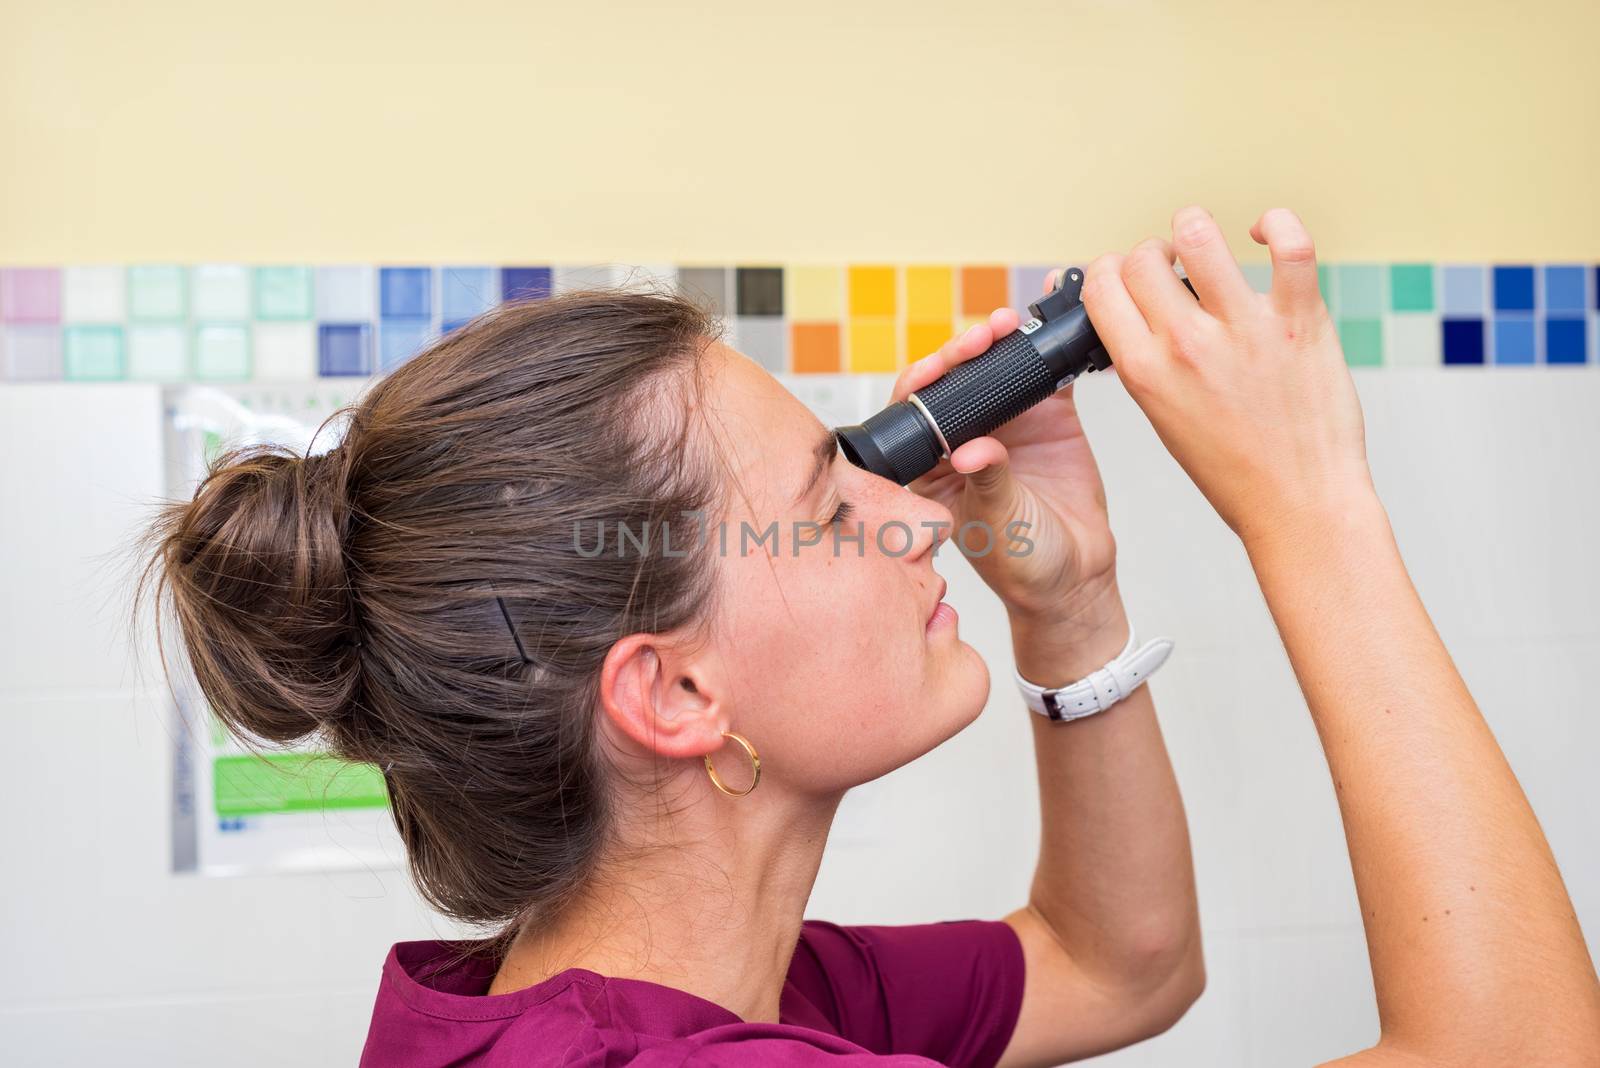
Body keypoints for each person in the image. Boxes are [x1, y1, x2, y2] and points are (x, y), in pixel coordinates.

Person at [142, 207, 1600, 1067]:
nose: (918, 517)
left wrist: (1066, 604)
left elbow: (1122, 965)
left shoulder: (684, 992)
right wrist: (1312, 503)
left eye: (862, 463)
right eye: (828, 511)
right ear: (675, 691)